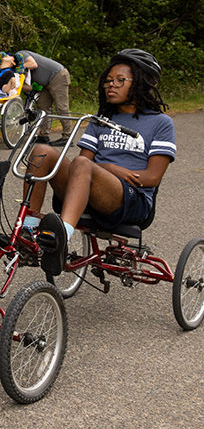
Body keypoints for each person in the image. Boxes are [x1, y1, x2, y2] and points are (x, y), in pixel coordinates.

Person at [23, 48, 176, 276]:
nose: (110, 85)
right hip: (90, 188)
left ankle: (62, 237)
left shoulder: (161, 123)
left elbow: (151, 177)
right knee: (41, 151)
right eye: (108, 80)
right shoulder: (101, 119)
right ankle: (26, 232)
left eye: (120, 80)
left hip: (131, 200)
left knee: (84, 166)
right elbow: (81, 164)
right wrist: (111, 168)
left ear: (141, 83)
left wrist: (106, 171)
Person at [18, 49, 73, 147]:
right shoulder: (18, 71)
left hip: (58, 75)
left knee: (61, 107)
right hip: (45, 83)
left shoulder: (21, 54)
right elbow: (26, 86)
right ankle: (44, 136)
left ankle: (67, 138)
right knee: (43, 107)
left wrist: (18, 67)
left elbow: (33, 64)